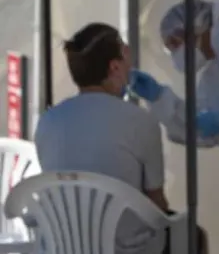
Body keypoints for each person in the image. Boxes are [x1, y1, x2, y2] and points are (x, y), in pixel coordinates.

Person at [34, 23, 208, 254]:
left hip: (62, 246)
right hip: (128, 249)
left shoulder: (47, 122)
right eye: (127, 58)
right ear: (114, 67)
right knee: (194, 235)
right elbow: (157, 203)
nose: (130, 68)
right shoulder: (140, 121)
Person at [128, 0, 219, 145]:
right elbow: (197, 127)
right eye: (170, 49)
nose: (176, 55)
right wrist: (159, 97)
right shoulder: (216, 75)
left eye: (175, 43)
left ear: (196, 25)